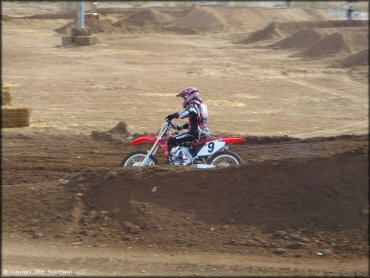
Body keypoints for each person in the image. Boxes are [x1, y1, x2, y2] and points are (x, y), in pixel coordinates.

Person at [165, 87, 211, 165]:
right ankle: (186, 158)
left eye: (184, 97)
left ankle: (185, 161)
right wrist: (180, 127)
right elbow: (194, 122)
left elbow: (184, 114)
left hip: (195, 134)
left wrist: (172, 116)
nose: (184, 100)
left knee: (171, 141)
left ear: (189, 95)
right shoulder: (200, 104)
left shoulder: (193, 104)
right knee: (179, 139)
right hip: (201, 132)